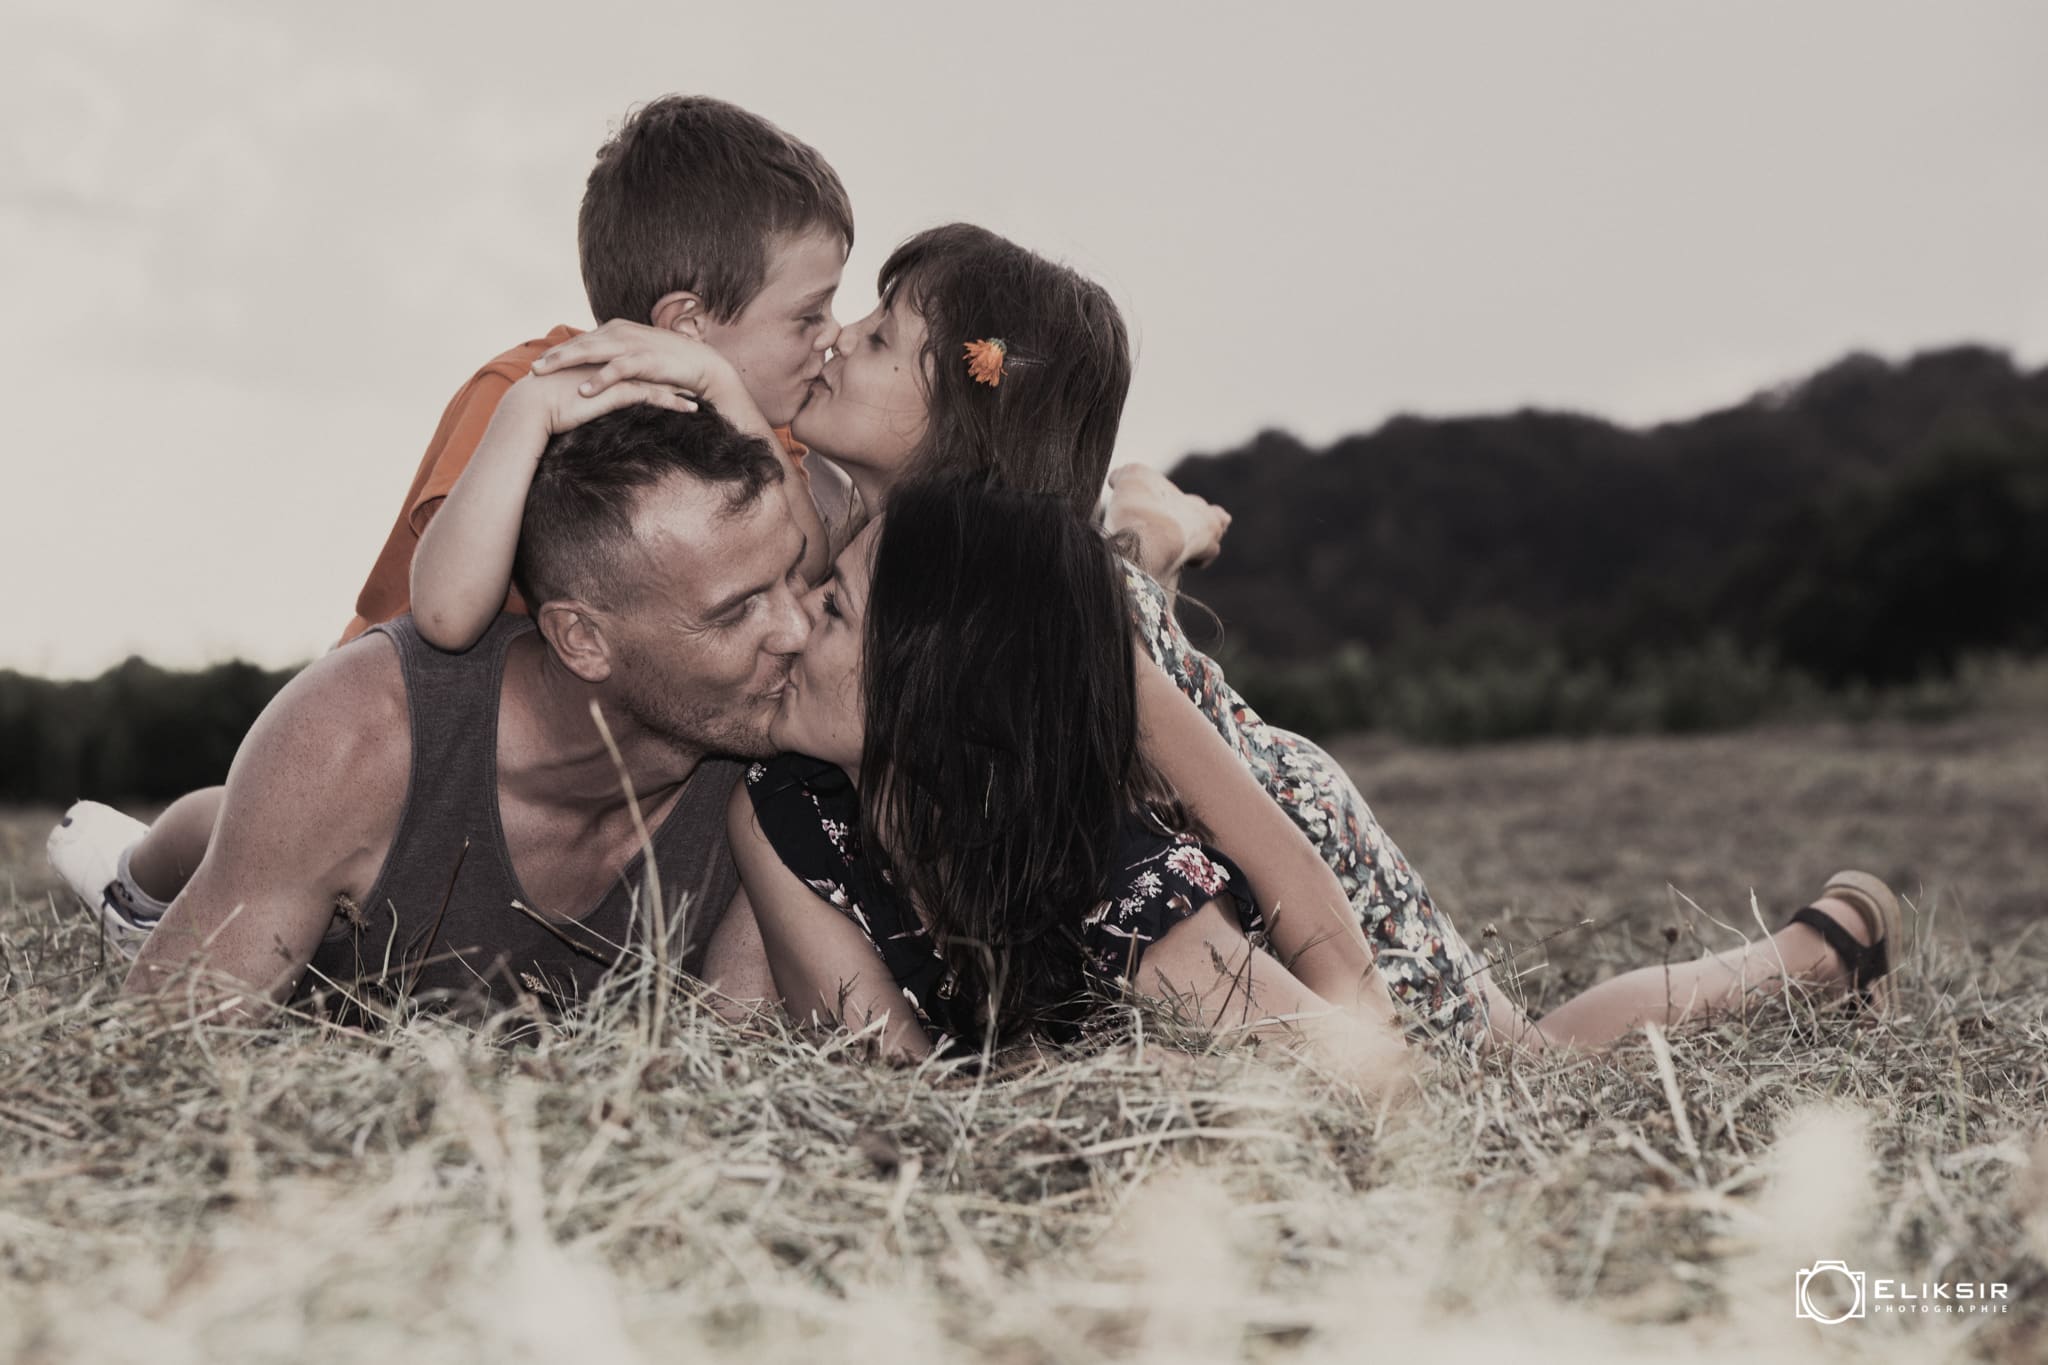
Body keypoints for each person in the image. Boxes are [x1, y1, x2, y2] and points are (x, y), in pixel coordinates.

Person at [417, 225, 1904, 1059]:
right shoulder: (861, 548)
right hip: (1105, 873)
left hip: (1249, 828)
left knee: (1507, 1063)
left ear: (956, 422)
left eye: (873, 342)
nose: (834, 346)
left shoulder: (1036, 600)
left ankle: (1796, 961)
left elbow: (1236, 809)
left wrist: (1342, 986)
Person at [731, 479, 1900, 1073]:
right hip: (1208, 859)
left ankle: (1808, 958)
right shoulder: (790, 809)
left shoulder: (1112, 889)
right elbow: (894, 1083)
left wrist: (1344, 1012)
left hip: (1289, 867)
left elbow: (1358, 1065)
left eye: (828, 608)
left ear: (937, 685)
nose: (787, 621)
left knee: (1519, 1072)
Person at [49, 94, 858, 945]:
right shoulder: (539, 388)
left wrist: (725, 392)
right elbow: (446, 614)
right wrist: (530, 418)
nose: (833, 336)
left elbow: (797, 571)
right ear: (686, 323)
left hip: (564, 761)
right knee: (238, 823)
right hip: (414, 740)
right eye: (809, 314)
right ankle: (135, 882)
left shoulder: (756, 434)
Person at [117, 401, 800, 1019]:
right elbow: (159, 1052)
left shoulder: (796, 748)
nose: (797, 631)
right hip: (262, 846)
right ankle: (134, 874)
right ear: (582, 639)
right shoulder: (357, 736)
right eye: (736, 610)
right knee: (227, 824)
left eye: (796, 575)